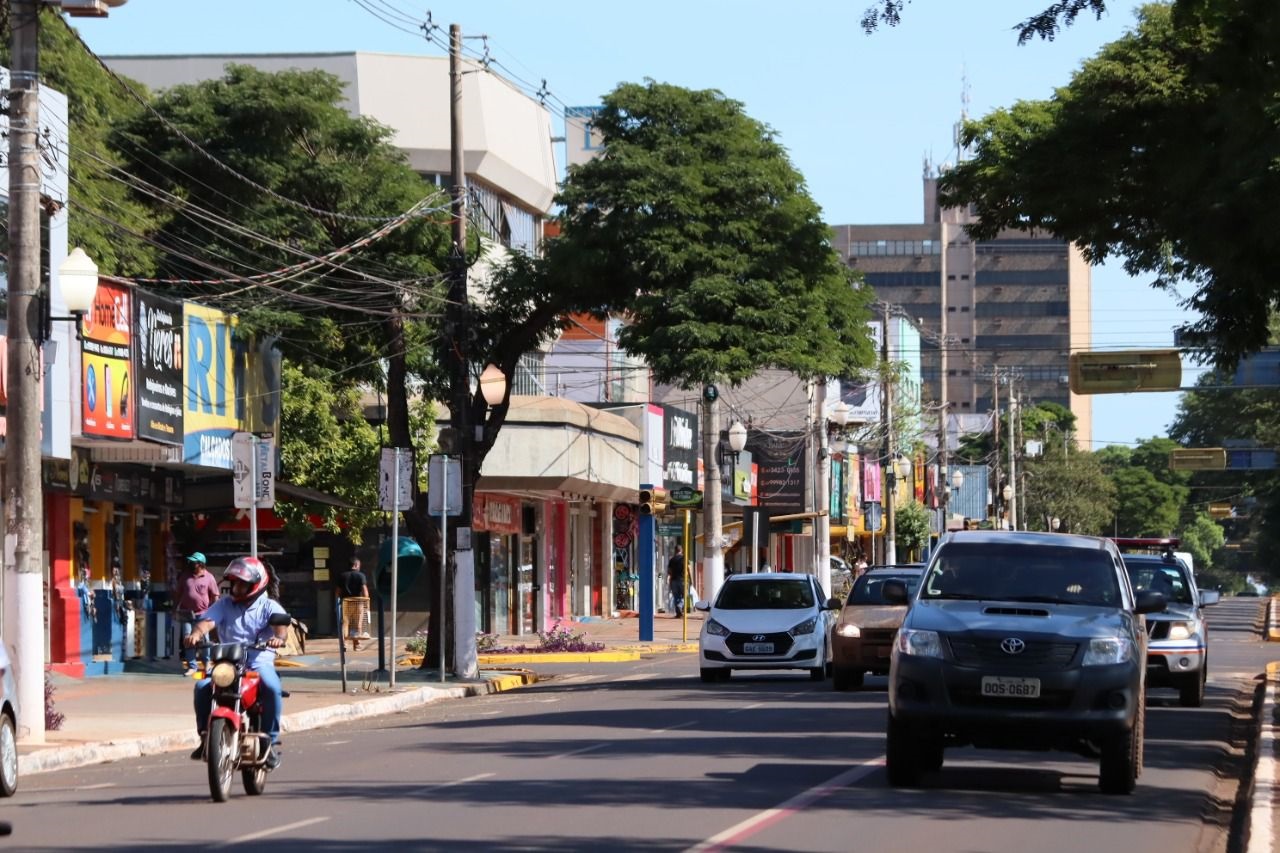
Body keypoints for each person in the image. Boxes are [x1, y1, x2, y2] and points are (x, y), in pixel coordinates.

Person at [185, 556, 288, 769]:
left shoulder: (269, 606)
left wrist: (278, 638)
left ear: (254, 585)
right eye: (235, 583)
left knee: (272, 687)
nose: (237, 588)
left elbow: (281, 629)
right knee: (202, 686)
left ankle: (269, 741)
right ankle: (205, 737)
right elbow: (206, 623)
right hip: (227, 664)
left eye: (242, 584)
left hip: (258, 663)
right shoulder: (224, 605)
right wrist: (196, 634)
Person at [174, 552, 219, 675]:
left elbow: (215, 596)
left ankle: (207, 664)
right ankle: (192, 666)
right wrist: (174, 608)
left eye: (194, 562)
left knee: (204, 641)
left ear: (200, 564)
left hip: (203, 614)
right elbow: (178, 594)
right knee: (188, 639)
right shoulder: (184, 576)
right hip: (186, 613)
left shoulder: (209, 577)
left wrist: (215, 612)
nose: (191, 564)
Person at [337, 557, 370, 651]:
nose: (359, 567)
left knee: (345, 623)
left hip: (346, 602)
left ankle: (344, 643)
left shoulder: (342, 576)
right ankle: (357, 645)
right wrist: (366, 603)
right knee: (357, 623)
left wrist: (337, 603)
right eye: (359, 565)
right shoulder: (361, 575)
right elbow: (365, 591)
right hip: (358, 602)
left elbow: (338, 591)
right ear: (356, 565)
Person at [666, 546, 686, 618]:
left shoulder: (671, 560)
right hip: (682, 580)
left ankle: (678, 614)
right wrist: (691, 580)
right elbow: (688, 569)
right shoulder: (684, 558)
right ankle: (680, 605)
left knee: (676, 596)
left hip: (673, 580)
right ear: (681, 550)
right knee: (684, 595)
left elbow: (669, 571)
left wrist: (668, 579)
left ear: (675, 551)